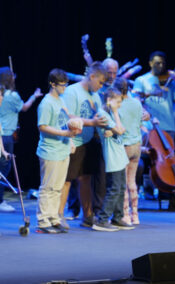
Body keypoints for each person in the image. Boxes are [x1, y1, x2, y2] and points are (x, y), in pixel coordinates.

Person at [133, 51, 175, 211]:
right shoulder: (142, 80)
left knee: (170, 162)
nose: (161, 66)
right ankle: (134, 199)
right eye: (157, 63)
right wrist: (152, 92)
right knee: (144, 160)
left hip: (168, 126)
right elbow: (135, 98)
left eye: (163, 63)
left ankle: (174, 200)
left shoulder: (170, 82)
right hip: (149, 126)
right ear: (150, 63)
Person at [58, 62, 108, 228]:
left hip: (87, 143)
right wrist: (92, 122)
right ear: (92, 76)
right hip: (73, 142)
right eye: (100, 82)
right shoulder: (73, 91)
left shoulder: (95, 95)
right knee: (67, 181)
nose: (101, 86)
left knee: (85, 178)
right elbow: (69, 116)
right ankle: (59, 216)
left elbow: (99, 116)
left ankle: (87, 216)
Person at [35, 69, 81, 234]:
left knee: (58, 187)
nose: (64, 88)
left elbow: (68, 116)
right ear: (52, 84)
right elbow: (43, 126)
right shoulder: (46, 103)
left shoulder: (60, 100)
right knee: (47, 187)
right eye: (62, 85)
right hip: (50, 151)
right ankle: (42, 221)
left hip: (62, 149)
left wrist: (75, 125)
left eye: (66, 84)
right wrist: (64, 133)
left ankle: (54, 218)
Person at [0, 67, 43, 212]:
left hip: (2, 133)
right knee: (4, 169)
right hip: (5, 135)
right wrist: (34, 96)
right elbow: (24, 107)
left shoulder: (2, 94)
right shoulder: (12, 95)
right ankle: (0, 201)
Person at [92, 87, 132, 231]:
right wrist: (115, 115)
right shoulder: (103, 114)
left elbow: (122, 129)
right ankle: (102, 220)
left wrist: (114, 128)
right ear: (109, 100)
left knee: (121, 188)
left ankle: (117, 217)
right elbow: (120, 130)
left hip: (120, 155)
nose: (120, 105)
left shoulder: (110, 113)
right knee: (114, 188)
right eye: (118, 102)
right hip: (113, 156)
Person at [114, 77, 144, 225]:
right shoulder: (137, 103)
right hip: (137, 145)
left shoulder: (117, 105)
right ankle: (136, 215)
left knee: (124, 183)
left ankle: (126, 214)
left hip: (124, 145)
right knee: (132, 181)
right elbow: (140, 122)